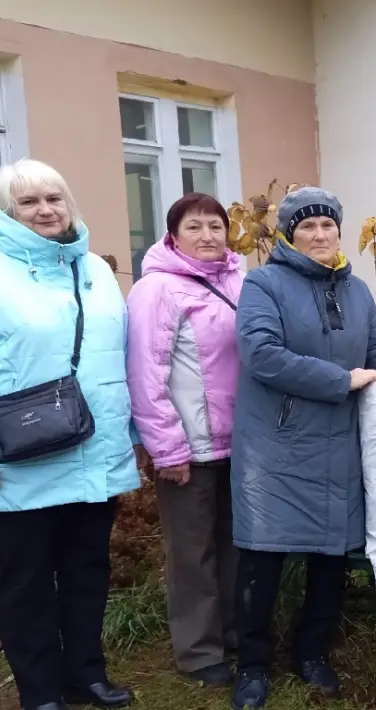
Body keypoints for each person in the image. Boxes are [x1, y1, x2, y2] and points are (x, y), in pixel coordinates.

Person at [229, 187, 376, 709]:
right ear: (288, 233)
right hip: (276, 445)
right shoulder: (263, 284)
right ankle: (252, 666)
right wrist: (339, 379)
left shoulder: (354, 289)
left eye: (328, 226)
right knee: (264, 558)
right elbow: (261, 354)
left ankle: (312, 654)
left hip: (339, 443)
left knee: (329, 557)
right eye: (308, 227)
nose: (320, 235)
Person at [0, 159, 140, 710]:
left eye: (55, 197)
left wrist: (134, 435)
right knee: (25, 582)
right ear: (6, 211)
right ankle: (40, 689)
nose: (46, 210)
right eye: (29, 202)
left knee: (86, 572)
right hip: (16, 461)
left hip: (94, 453)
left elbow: (119, 359)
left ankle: (85, 673)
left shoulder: (95, 269)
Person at [125, 193, 244, 687]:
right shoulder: (157, 290)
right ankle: (199, 651)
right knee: (192, 553)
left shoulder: (242, 280)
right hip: (189, 446)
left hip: (243, 445)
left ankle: (237, 635)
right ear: (173, 236)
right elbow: (145, 375)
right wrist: (166, 448)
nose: (208, 236)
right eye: (194, 227)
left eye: (215, 226)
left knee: (238, 546)